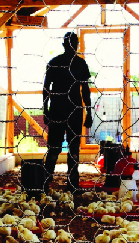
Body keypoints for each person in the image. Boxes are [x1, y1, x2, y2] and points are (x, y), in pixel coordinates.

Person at [42, 32, 92, 192]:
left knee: (69, 147)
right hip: (64, 110)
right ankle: (51, 179)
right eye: (71, 44)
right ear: (66, 45)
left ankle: (66, 181)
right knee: (59, 147)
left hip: (69, 111)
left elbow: (85, 89)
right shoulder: (70, 63)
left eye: (74, 44)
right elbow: (46, 88)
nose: (73, 47)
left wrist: (88, 112)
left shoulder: (71, 63)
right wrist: (45, 110)